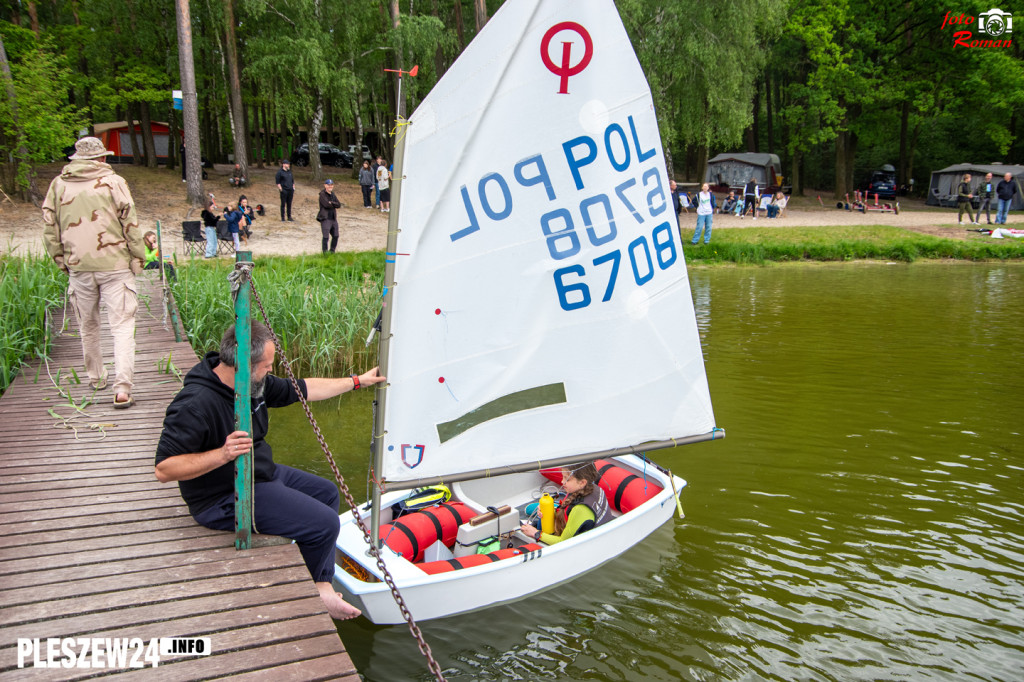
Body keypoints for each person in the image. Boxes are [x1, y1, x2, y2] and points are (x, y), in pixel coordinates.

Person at [154, 322, 386, 621]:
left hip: (260, 474)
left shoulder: (252, 384)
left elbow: (303, 389)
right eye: (267, 365)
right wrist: (222, 454)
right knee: (324, 524)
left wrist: (356, 381)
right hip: (223, 497)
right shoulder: (196, 403)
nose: (270, 370)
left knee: (327, 492)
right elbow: (164, 469)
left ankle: (317, 580)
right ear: (244, 366)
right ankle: (319, 593)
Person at [42, 136, 144, 409]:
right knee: (122, 326)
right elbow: (130, 223)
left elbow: (49, 226)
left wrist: (60, 259)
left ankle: (96, 378)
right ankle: (122, 389)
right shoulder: (114, 182)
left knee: (88, 325)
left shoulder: (58, 185)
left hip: (79, 266)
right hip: (115, 266)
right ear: (102, 158)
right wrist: (138, 257)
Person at [519, 462, 612, 545]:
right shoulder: (594, 488)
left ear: (582, 482)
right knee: (535, 510)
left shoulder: (580, 509)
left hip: (586, 541)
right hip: (577, 520)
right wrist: (551, 511)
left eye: (567, 479)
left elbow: (563, 542)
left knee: (532, 518)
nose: (562, 482)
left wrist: (535, 533)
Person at [317, 178, 342, 252]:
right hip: (325, 218)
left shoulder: (333, 194)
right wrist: (332, 204)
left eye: (331, 185)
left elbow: (339, 204)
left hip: (333, 218)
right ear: (325, 185)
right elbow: (326, 205)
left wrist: (332, 203)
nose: (330, 186)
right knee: (325, 237)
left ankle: (332, 251)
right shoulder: (322, 194)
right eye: (328, 185)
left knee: (336, 235)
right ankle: (325, 252)